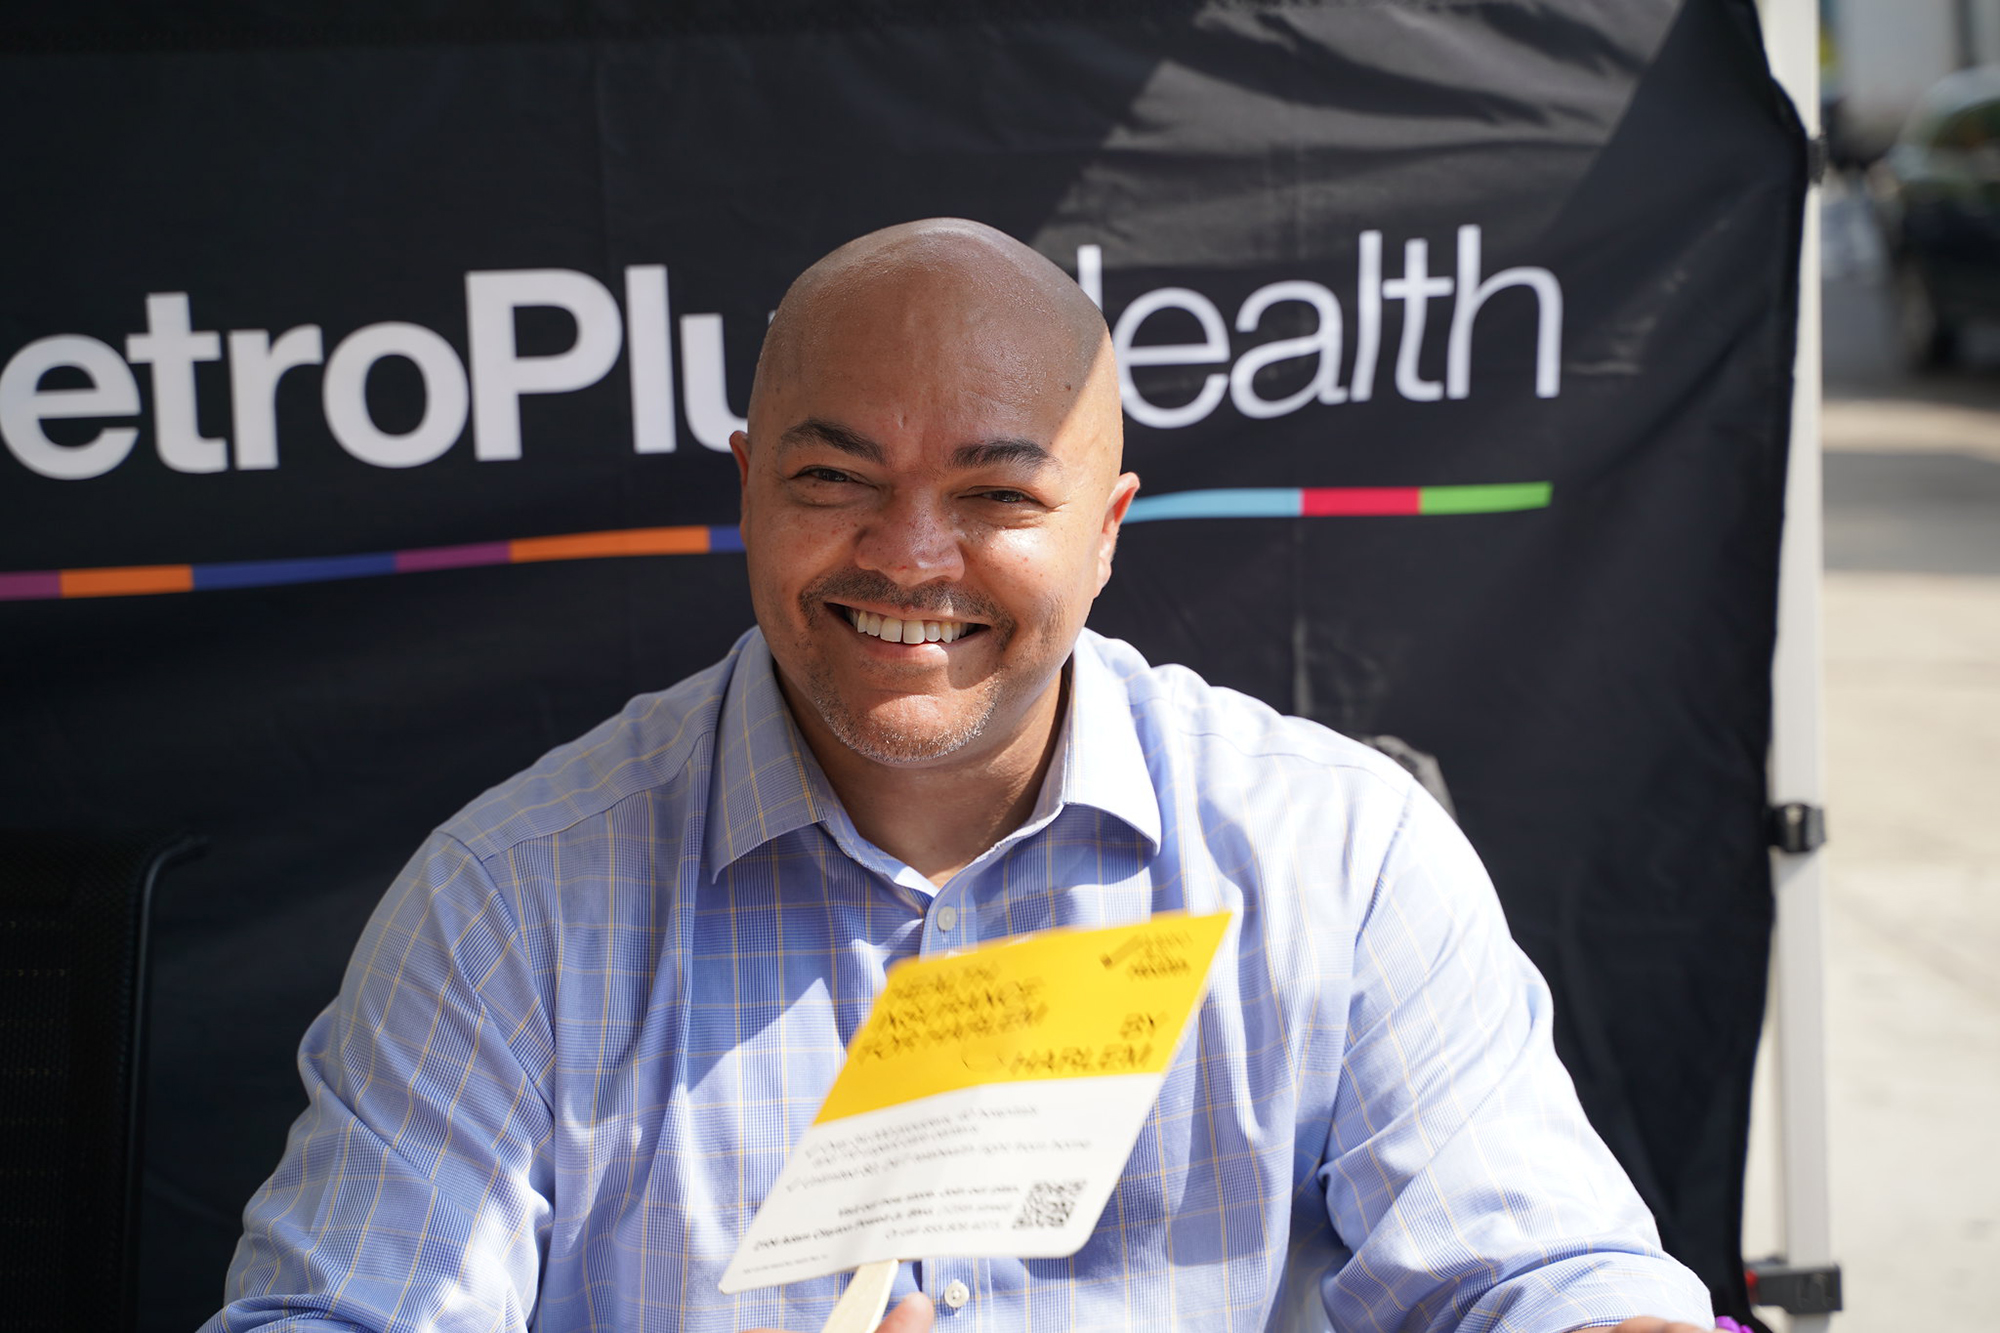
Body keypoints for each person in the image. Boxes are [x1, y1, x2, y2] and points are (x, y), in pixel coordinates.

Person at [202, 219, 1719, 1333]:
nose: (910, 555)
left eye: (996, 492)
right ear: (747, 487)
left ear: (1106, 530)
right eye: (834, 478)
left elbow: (1539, 1275)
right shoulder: (507, 905)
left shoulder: (1337, 856)